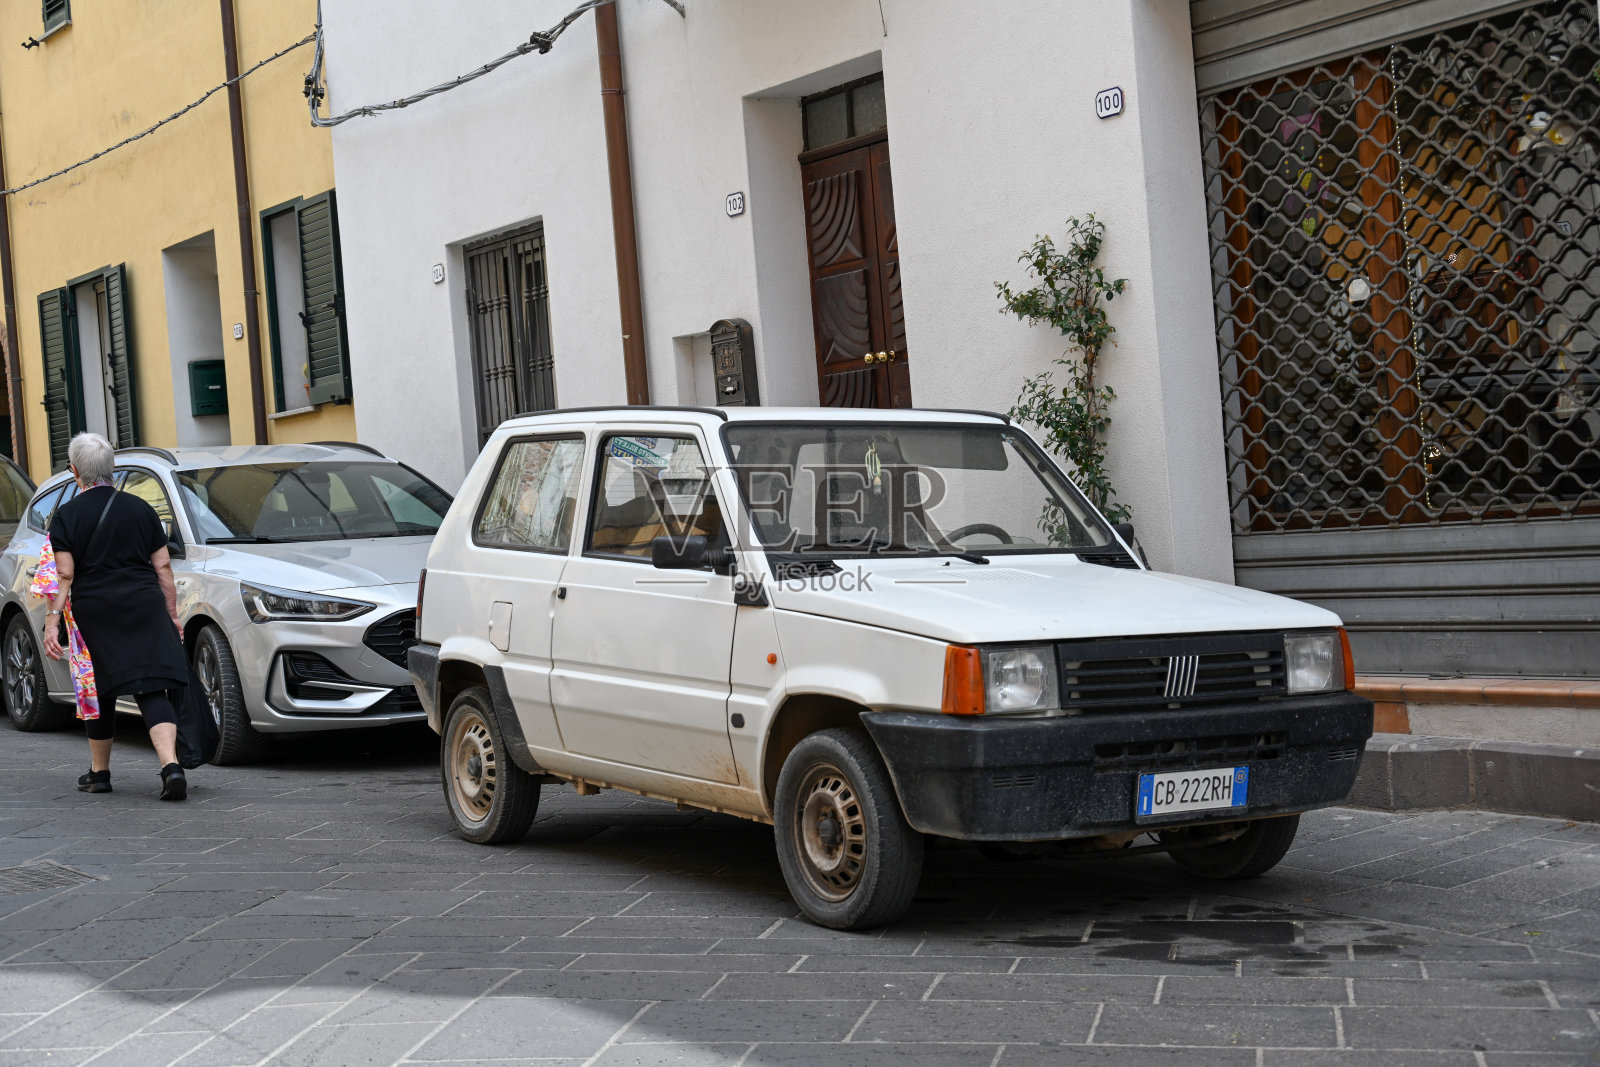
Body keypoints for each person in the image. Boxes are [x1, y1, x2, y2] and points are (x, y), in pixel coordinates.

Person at [41, 433, 190, 800]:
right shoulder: (141, 508)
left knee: (99, 686)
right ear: (112, 469)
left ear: (75, 471)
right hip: (144, 604)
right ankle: (171, 766)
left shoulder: (66, 516)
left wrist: (52, 620)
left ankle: (100, 773)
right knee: (151, 684)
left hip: (95, 611)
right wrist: (171, 613)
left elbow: (64, 575)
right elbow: (163, 566)